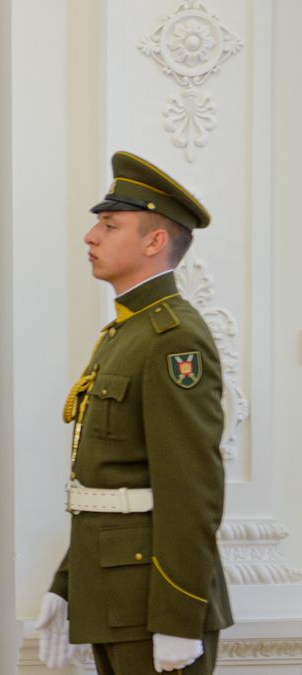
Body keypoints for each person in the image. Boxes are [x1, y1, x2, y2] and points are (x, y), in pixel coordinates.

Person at [37, 151, 233, 674]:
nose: (91, 237)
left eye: (108, 224)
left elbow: (191, 488)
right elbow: (103, 483)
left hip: (151, 601)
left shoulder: (174, 339)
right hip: (114, 591)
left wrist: (178, 617)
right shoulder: (126, 333)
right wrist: (67, 582)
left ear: (154, 241)